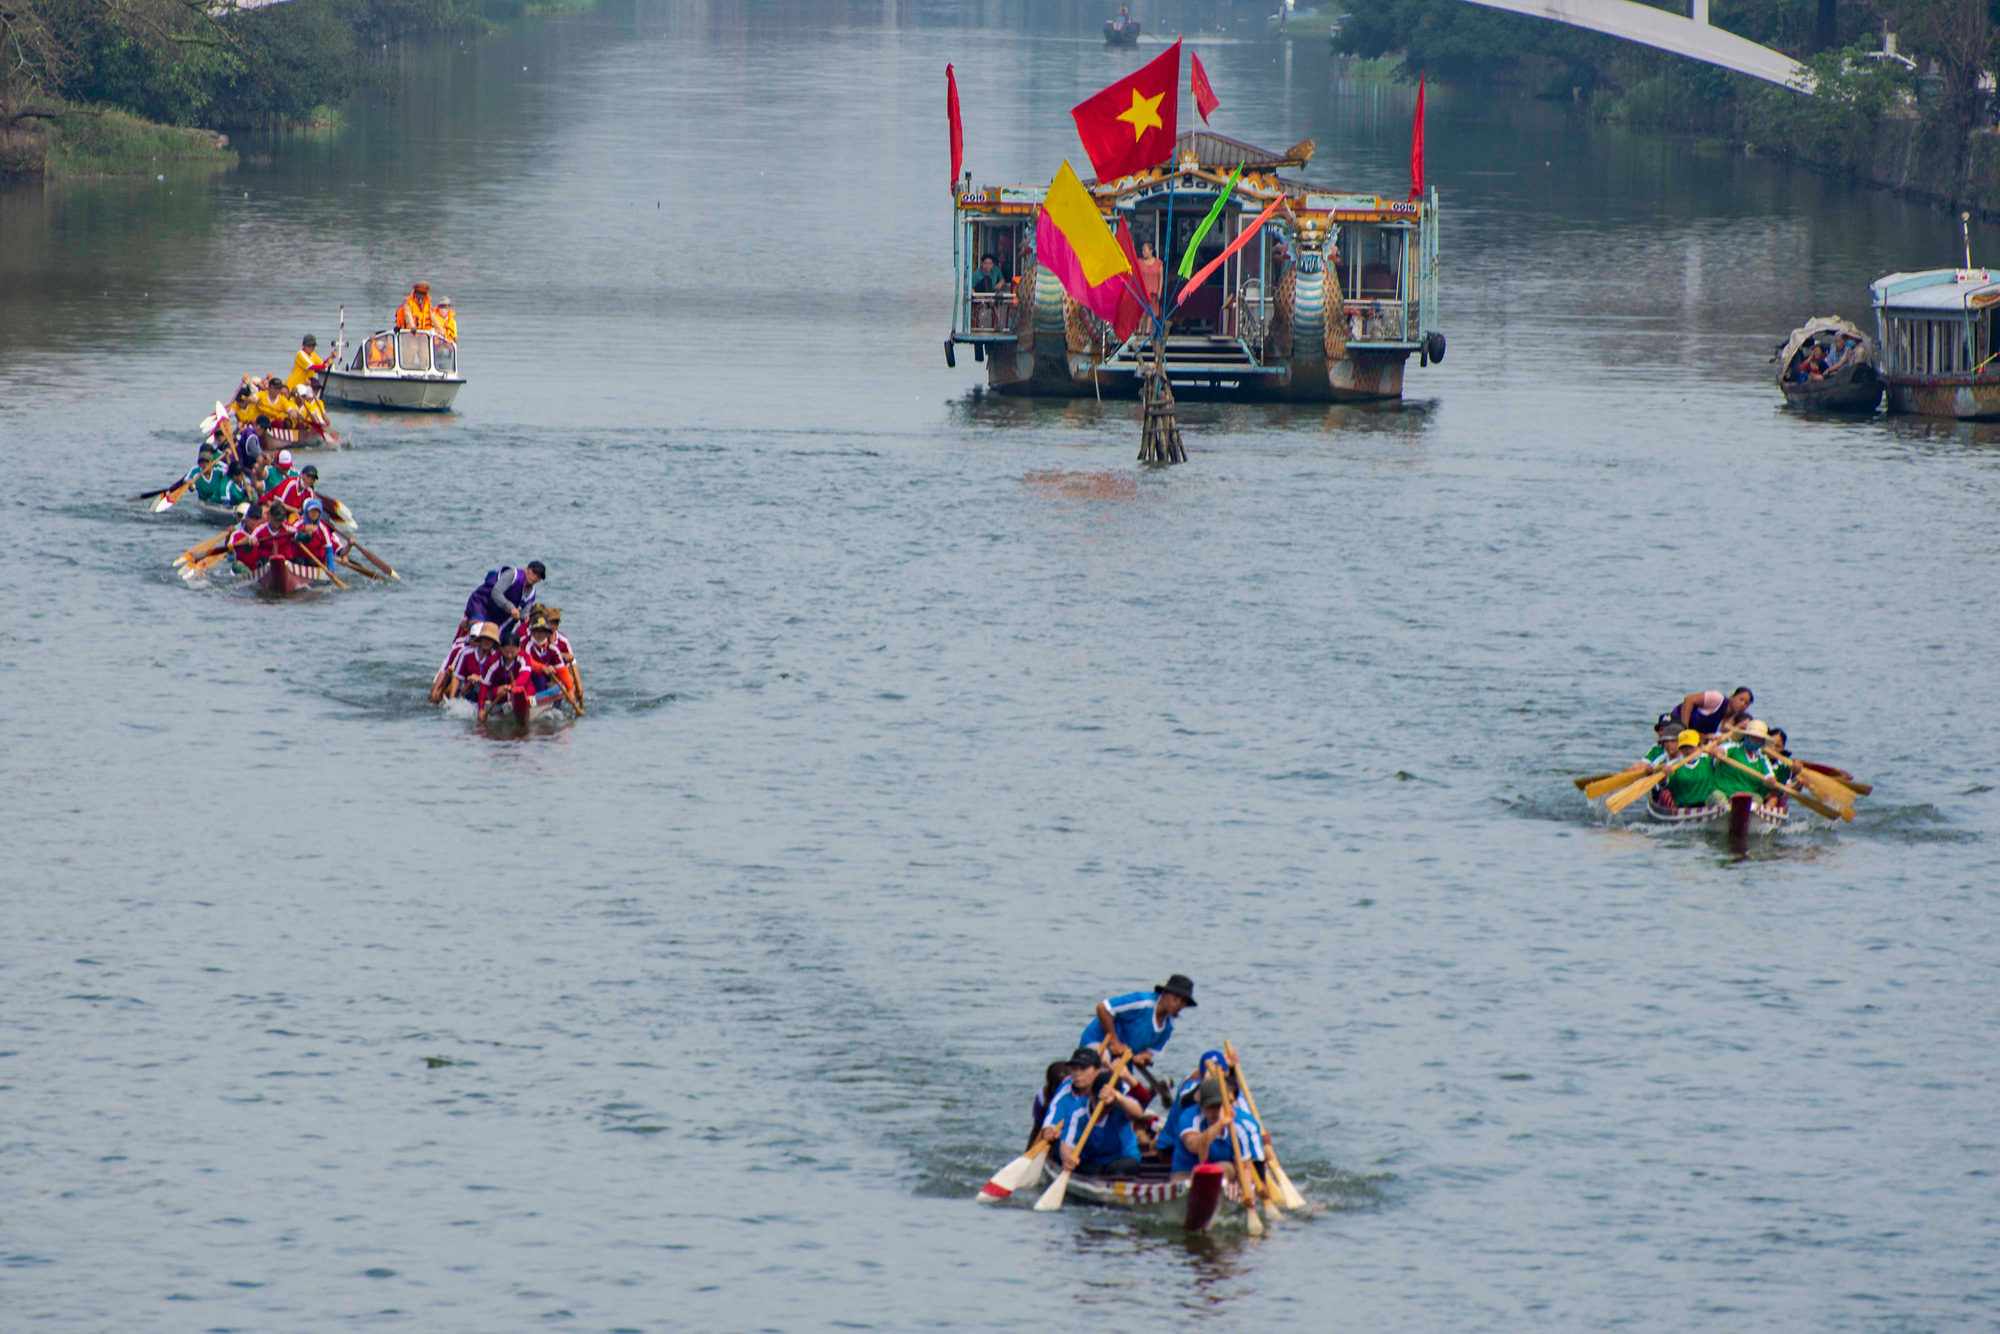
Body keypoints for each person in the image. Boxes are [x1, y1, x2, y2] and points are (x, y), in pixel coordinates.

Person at [1040, 1059, 1144, 1177]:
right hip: (1092, 1161)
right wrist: (1068, 1159)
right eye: (1098, 1103)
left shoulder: (1120, 1105)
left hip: (1123, 1157)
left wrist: (1118, 1098)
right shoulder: (1077, 1111)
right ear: (1090, 1095)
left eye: (1107, 1106)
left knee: (1117, 1169)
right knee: (1093, 1171)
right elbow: (1066, 1143)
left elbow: (1139, 1114)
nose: (1102, 1110)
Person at [1079, 974, 1196, 1068]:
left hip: (1123, 1057)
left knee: (1124, 1086)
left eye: (1183, 1001)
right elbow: (1103, 1008)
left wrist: (1143, 1057)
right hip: (1098, 1041)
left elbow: (1151, 1052)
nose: (1178, 1003)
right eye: (1175, 998)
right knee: (1102, 1067)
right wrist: (1114, 1042)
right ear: (1164, 994)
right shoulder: (1142, 1002)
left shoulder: (1169, 1024)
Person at [461, 561, 546, 639]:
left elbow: (524, 614)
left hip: (499, 616)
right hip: (482, 604)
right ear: (527, 569)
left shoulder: (531, 593)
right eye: (534, 573)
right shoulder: (513, 575)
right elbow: (496, 593)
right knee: (477, 632)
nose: (535, 577)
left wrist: (527, 622)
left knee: (498, 641)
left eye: (539, 577)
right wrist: (511, 608)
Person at [1713, 719, 1782, 809]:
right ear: (1746, 737)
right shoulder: (1734, 747)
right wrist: (1715, 752)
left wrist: (1770, 782)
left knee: (1757, 799)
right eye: (1753, 737)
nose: (1755, 741)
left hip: (1745, 797)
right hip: (1724, 793)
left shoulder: (1762, 759)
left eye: (1759, 739)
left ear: (1762, 742)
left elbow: (1771, 778)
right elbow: (1721, 750)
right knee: (1718, 797)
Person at [1662, 730, 1721, 810]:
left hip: (1706, 804)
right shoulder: (1672, 765)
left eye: (1690, 747)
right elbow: (1663, 785)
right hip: (1683, 806)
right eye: (1683, 747)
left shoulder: (1708, 760)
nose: (1687, 751)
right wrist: (1664, 776)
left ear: (1699, 746)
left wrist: (1716, 752)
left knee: (1718, 795)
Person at [446, 623, 503, 702]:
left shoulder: (497, 658)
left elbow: (497, 681)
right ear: (480, 639)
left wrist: (480, 679)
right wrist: (452, 700)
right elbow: (457, 677)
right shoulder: (466, 653)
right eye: (485, 638)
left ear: (494, 642)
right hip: (466, 692)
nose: (487, 642)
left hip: (487, 695)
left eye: (490, 639)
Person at [1674, 687, 1752, 735]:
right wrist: (1684, 729)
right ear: (1732, 696)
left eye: (1746, 703)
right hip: (1676, 722)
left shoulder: (1732, 718)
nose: (1742, 704)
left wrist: (1738, 728)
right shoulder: (1717, 698)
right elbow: (1689, 700)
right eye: (1741, 699)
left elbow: (1722, 733)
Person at [1138, 240, 1165, 304]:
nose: (1143, 252)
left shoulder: (1159, 263)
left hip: (1154, 295)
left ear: (1151, 251)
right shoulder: (1139, 262)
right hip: (1143, 294)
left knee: (1153, 313)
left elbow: (1161, 277)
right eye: (1142, 250)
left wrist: (1160, 291)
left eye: (1145, 250)